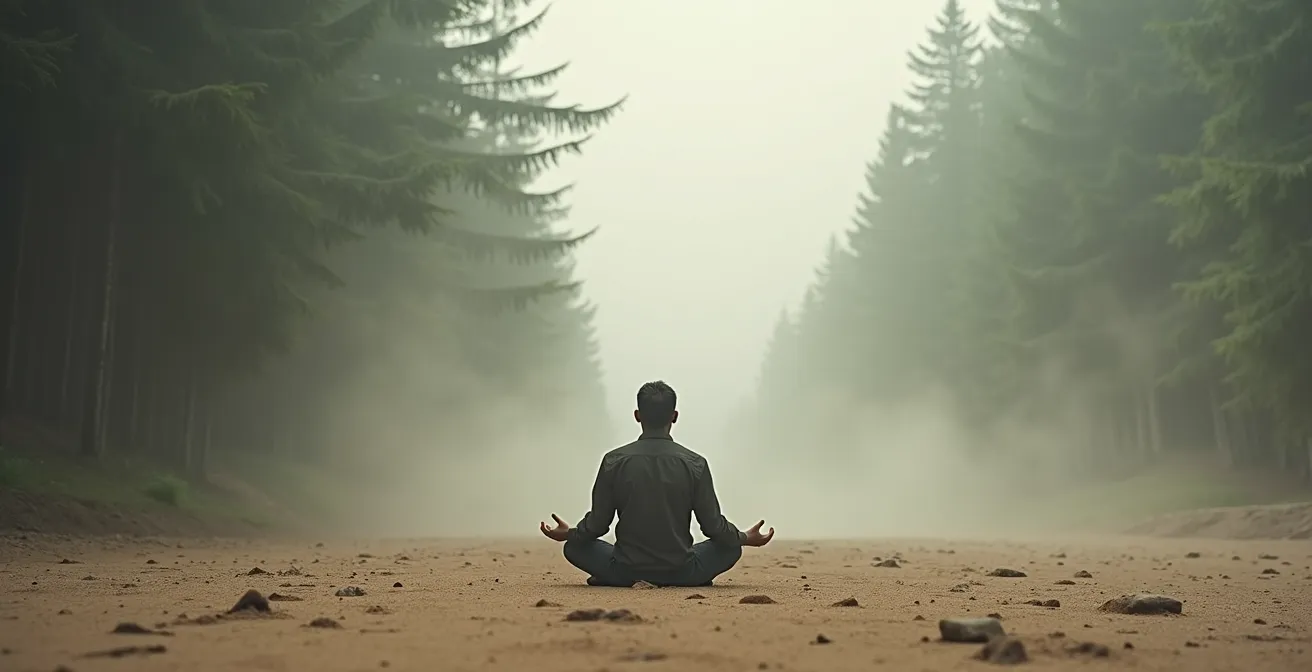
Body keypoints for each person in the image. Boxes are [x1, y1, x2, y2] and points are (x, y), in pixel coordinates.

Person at [538, 380, 773, 587]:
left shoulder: (613, 461)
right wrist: (743, 537)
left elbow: (598, 524)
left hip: (625, 570)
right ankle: (687, 579)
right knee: (731, 547)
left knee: (573, 547)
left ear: (637, 415)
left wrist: (569, 533)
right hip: (682, 571)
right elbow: (712, 526)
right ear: (674, 416)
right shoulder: (695, 463)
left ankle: (614, 578)